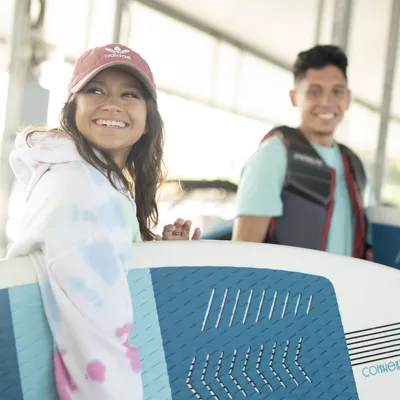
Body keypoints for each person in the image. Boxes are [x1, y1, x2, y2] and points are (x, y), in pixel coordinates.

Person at [6, 43, 200, 399]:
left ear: (147, 120)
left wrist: (156, 256)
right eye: (95, 90)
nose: (112, 103)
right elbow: (95, 327)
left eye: (130, 94)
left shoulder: (94, 180)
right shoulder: (79, 187)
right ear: (72, 109)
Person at [232, 45, 375, 260]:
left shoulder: (355, 165)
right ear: (293, 97)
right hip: (288, 292)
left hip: (346, 292)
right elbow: (242, 252)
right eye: (314, 91)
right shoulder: (274, 154)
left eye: (337, 91)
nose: (326, 102)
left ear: (347, 98)